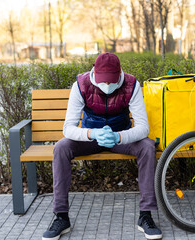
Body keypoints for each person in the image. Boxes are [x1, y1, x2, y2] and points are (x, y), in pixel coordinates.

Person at [42, 52, 162, 240]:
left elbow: (143, 128)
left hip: (120, 137)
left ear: (119, 73)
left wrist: (117, 137)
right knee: (61, 148)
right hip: (90, 137)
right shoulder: (80, 85)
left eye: (111, 81)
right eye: (103, 81)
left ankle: (145, 215)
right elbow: (68, 129)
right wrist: (92, 134)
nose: (107, 85)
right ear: (94, 73)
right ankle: (61, 216)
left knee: (147, 147)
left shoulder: (132, 85)